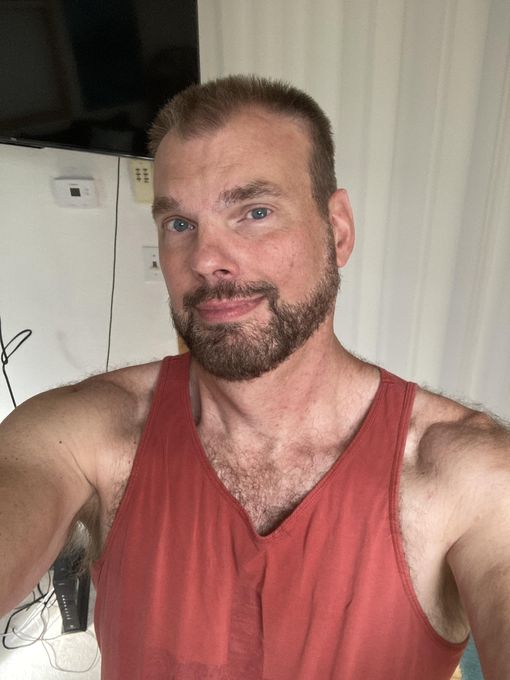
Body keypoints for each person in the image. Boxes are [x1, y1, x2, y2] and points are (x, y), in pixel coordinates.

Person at [0, 75, 508, 680]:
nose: (205, 259)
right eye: (179, 224)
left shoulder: (467, 473)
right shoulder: (85, 433)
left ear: (337, 231)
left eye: (255, 212)